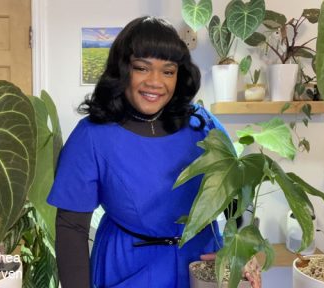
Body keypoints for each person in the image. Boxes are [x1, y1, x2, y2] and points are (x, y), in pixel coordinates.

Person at [47, 16, 255, 288]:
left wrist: (237, 249)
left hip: (201, 266)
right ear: (122, 69)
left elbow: (235, 195)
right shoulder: (91, 135)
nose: (156, 82)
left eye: (168, 71)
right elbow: (72, 228)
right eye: (142, 68)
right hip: (127, 266)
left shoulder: (202, 124)